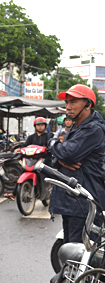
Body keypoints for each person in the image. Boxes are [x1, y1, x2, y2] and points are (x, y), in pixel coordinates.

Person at [47, 84, 105, 244]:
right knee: (69, 250)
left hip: (84, 203)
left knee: (80, 256)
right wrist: (59, 159)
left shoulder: (93, 129)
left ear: (88, 104)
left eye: (73, 102)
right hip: (71, 200)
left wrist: (52, 142)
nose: (68, 107)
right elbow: (60, 158)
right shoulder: (76, 127)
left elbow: (67, 153)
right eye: (66, 103)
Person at [5, 117, 53, 199]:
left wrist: (49, 148)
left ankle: (52, 192)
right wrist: (20, 149)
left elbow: (50, 145)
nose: (40, 127)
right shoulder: (31, 137)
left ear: (45, 126)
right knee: (22, 172)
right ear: (35, 126)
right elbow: (25, 146)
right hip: (32, 160)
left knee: (51, 174)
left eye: (42, 125)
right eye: (38, 125)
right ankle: (14, 193)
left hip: (44, 159)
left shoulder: (49, 135)